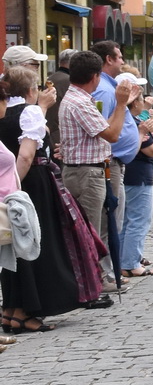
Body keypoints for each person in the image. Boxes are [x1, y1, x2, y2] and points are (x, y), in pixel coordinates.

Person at [0, 63, 85, 332]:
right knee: (32, 244)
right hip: (30, 184)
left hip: (15, 184)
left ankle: (10, 309)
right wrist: (15, 188)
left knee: (13, 248)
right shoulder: (31, 111)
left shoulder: (5, 112)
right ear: (31, 89)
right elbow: (25, 156)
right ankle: (26, 311)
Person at [58, 51, 137, 272]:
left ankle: (97, 276)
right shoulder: (80, 102)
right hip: (86, 174)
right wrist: (121, 105)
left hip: (85, 171)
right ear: (95, 76)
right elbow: (112, 135)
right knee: (92, 228)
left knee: (96, 226)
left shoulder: (78, 98)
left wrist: (123, 104)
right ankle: (95, 279)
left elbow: (103, 129)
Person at [120, 86, 153, 277]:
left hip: (129, 174)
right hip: (138, 175)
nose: (144, 103)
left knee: (126, 221)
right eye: (142, 100)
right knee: (138, 220)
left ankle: (124, 261)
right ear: (135, 103)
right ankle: (131, 263)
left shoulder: (129, 121)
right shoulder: (133, 123)